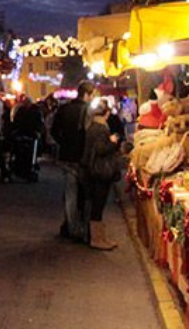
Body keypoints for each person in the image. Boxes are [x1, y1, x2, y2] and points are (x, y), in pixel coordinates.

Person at [51, 81, 94, 241]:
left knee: (70, 193)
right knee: (84, 194)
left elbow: (54, 130)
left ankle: (70, 227)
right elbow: (89, 134)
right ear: (88, 94)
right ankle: (81, 228)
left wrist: (63, 142)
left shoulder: (64, 109)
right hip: (81, 157)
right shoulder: (87, 110)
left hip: (66, 155)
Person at [81, 104, 123, 250]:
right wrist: (112, 141)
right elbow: (100, 149)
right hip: (100, 171)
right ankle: (97, 239)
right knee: (98, 205)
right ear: (106, 114)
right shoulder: (100, 128)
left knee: (96, 205)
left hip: (93, 170)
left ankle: (100, 237)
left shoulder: (93, 126)